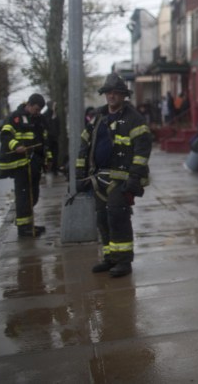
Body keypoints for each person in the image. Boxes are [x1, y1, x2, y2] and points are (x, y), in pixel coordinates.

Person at [75, 73, 152, 278]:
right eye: (108, 92)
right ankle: (110, 258)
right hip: (98, 177)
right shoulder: (97, 118)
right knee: (102, 218)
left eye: (115, 92)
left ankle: (124, 261)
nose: (111, 96)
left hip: (122, 178)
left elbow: (142, 151)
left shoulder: (134, 119)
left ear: (123, 95)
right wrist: (79, 175)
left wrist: (134, 177)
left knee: (118, 216)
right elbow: (84, 147)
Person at [0, 93, 52, 237]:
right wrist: (16, 146)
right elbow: (5, 135)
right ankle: (24, 228)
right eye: (36, 109)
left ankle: (29, 224)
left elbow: (45, 141)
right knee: (24, 196)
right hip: (20, 164)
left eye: (39, 110)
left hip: (34, 164)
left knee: (33, 195)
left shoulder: (39, 120)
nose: (37, 112)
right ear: (28, 105)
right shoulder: (16, 117)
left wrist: (48, 159)